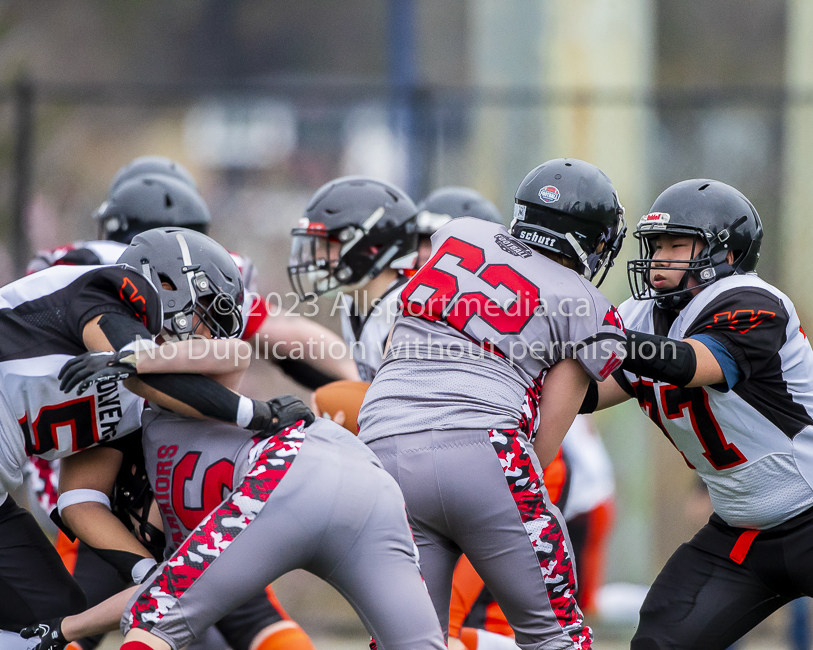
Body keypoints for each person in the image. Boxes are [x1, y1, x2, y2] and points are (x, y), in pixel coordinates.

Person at [21, 227, 447, 650]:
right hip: (364, 480)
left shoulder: (155, 398)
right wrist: (67, 628)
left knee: (154, 628)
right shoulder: (135, 390)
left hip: (285, 473)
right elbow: (145, 581)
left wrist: (135, 357)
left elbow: (233, 352)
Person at [356, 158, 628, 649]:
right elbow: (545, 440)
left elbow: (394, 347)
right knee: (555, 634)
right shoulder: (587, 304)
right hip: (484, 450)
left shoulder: (458, 234)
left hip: (380, 444)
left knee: (410, 642)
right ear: (591, 240)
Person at [0, 226, 310, 636]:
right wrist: (260, 414)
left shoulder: (140, 390)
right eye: (209, 314)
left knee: (50, 616)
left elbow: (80, 500)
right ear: (168, 283)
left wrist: (151, 572)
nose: (208, 334)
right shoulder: (110, 289)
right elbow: (141, 363)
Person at [585, 179, 813, 649]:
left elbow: (692, 363)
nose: (659, 258)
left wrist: (596, 335)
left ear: (725, 255)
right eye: (656, 244)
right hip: (742, 536)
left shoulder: (751, 300)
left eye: (677, 244)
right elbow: (588, 394)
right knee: (660, 641)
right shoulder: (638, 318)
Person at [287, 176, 418, 383]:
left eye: (326, 245)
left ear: (371, 248)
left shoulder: (409, 314)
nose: (315, 256)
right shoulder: (352, 300)